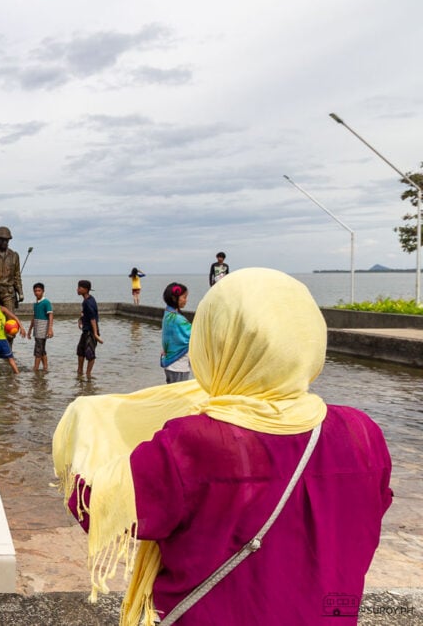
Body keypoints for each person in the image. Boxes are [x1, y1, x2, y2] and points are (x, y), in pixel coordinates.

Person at [53, 268, 392, 626]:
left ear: (213, 341)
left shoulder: (193, 442)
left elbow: (99, 508)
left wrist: (82, 427)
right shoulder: (362, 433)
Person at [160, 282, 192, 383]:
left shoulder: (168, 313)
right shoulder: (177, 319)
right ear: (174, 298)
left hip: (171, 364)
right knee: (179, 391)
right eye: (184, 297)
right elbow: (194, 335)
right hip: (178, 366)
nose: (186, 300)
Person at [76, 279, 103, 378]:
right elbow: (86, 313)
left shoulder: (88, 302)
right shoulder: (86, 300)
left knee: (90, 353)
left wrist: (95, 334)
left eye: (79, 288)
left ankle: (88, 374)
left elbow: (93, 318)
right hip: (86, 330)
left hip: (90, 331)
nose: (77, 289)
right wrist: (81, 319)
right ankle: (80, 372)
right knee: (80, 351)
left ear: (86, 289)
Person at [25, 282, 54, 372]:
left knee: (38, 350)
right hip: (36, 329)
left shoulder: (46, 302)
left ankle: (36, 368)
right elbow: (34, 317)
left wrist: (50, 329)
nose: (37, 292)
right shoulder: (35, 304)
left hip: (43, 328)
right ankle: (45, 367)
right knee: (42, 349)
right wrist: (30, 330)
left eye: (39, 291)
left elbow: (50, 315)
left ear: (43, 291)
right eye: (35, 291)